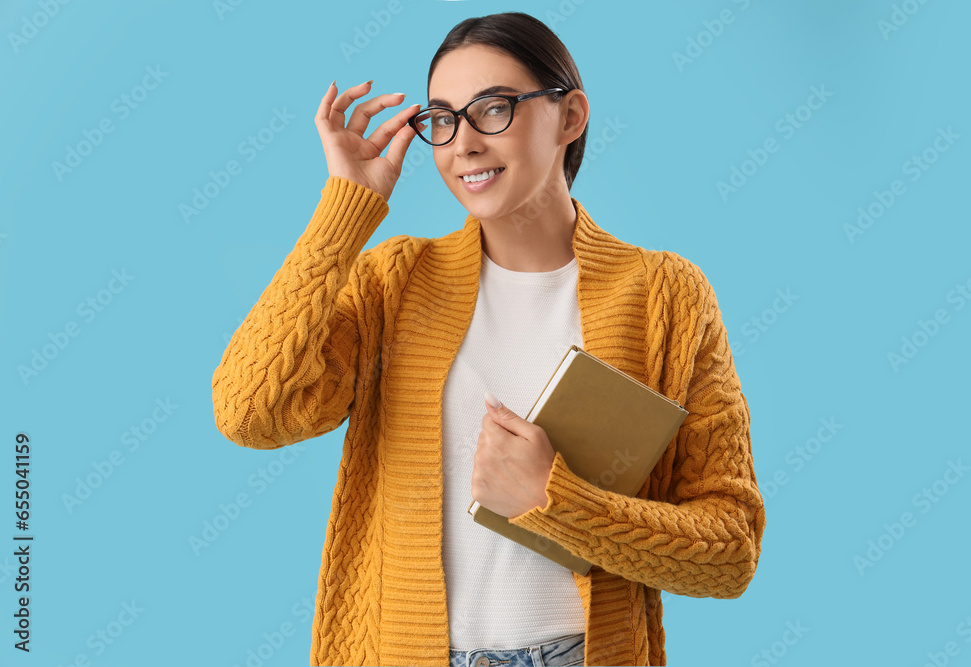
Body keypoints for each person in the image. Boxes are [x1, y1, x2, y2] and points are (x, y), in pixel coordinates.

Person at [211, 11, 766, 667]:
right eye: (442, 120)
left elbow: (730, 549)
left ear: (570, 116)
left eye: (493, 109)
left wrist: (555, 501)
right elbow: (248, 411)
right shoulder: (394, 283)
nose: (463, 144)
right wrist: (344, 209)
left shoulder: (667, 295)